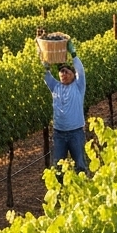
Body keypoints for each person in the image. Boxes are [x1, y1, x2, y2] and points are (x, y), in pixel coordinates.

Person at [43, 32, 88, 174]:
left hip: (76, 133)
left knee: (80, 166)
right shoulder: (55, 86)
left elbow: (81, 71)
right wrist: (43, 55)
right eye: (61, 72)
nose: (63, 74)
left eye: (67, 71)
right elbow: (45, 73)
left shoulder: (78, 86)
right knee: (58, 169)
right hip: (59, 134)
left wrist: (73, 55)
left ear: (74, 75)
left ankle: (83, 192)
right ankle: (61, 194)